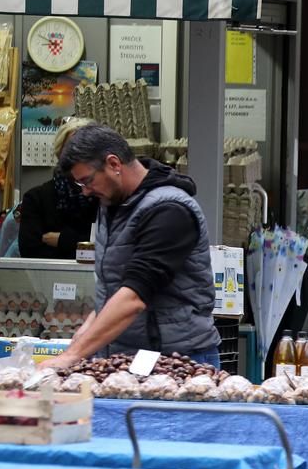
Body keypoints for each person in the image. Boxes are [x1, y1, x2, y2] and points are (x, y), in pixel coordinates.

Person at [40, 123, 221, 369]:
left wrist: (72, 356)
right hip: (128, 358)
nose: (85, 192)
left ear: (114, 164)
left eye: (87, 181)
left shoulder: (169, 210)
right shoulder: (112, 204)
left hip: (176, 363)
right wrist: (84, 336)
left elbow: (135, 294)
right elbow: (114, 287)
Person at [15, 118, 96, 259]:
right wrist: (84, 243)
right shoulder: (36, 198)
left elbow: (110, 248)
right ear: (60, 153)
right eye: (71, 147)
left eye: (86, 147)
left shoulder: (105, 197)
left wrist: (61, 240)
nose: (79, 154)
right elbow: (30, 253)